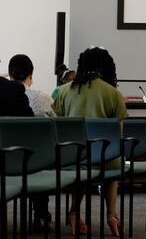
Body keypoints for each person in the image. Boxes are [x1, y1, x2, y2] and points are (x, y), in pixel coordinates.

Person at [52, 47, 127, 236]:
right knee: (112, 162)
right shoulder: (113, 94)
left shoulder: (63, 91)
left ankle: (74, 212)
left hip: (73, 156)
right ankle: (111, 215)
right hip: (105, 157)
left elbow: (56, 124)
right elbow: (118, 134)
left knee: (82, 165)